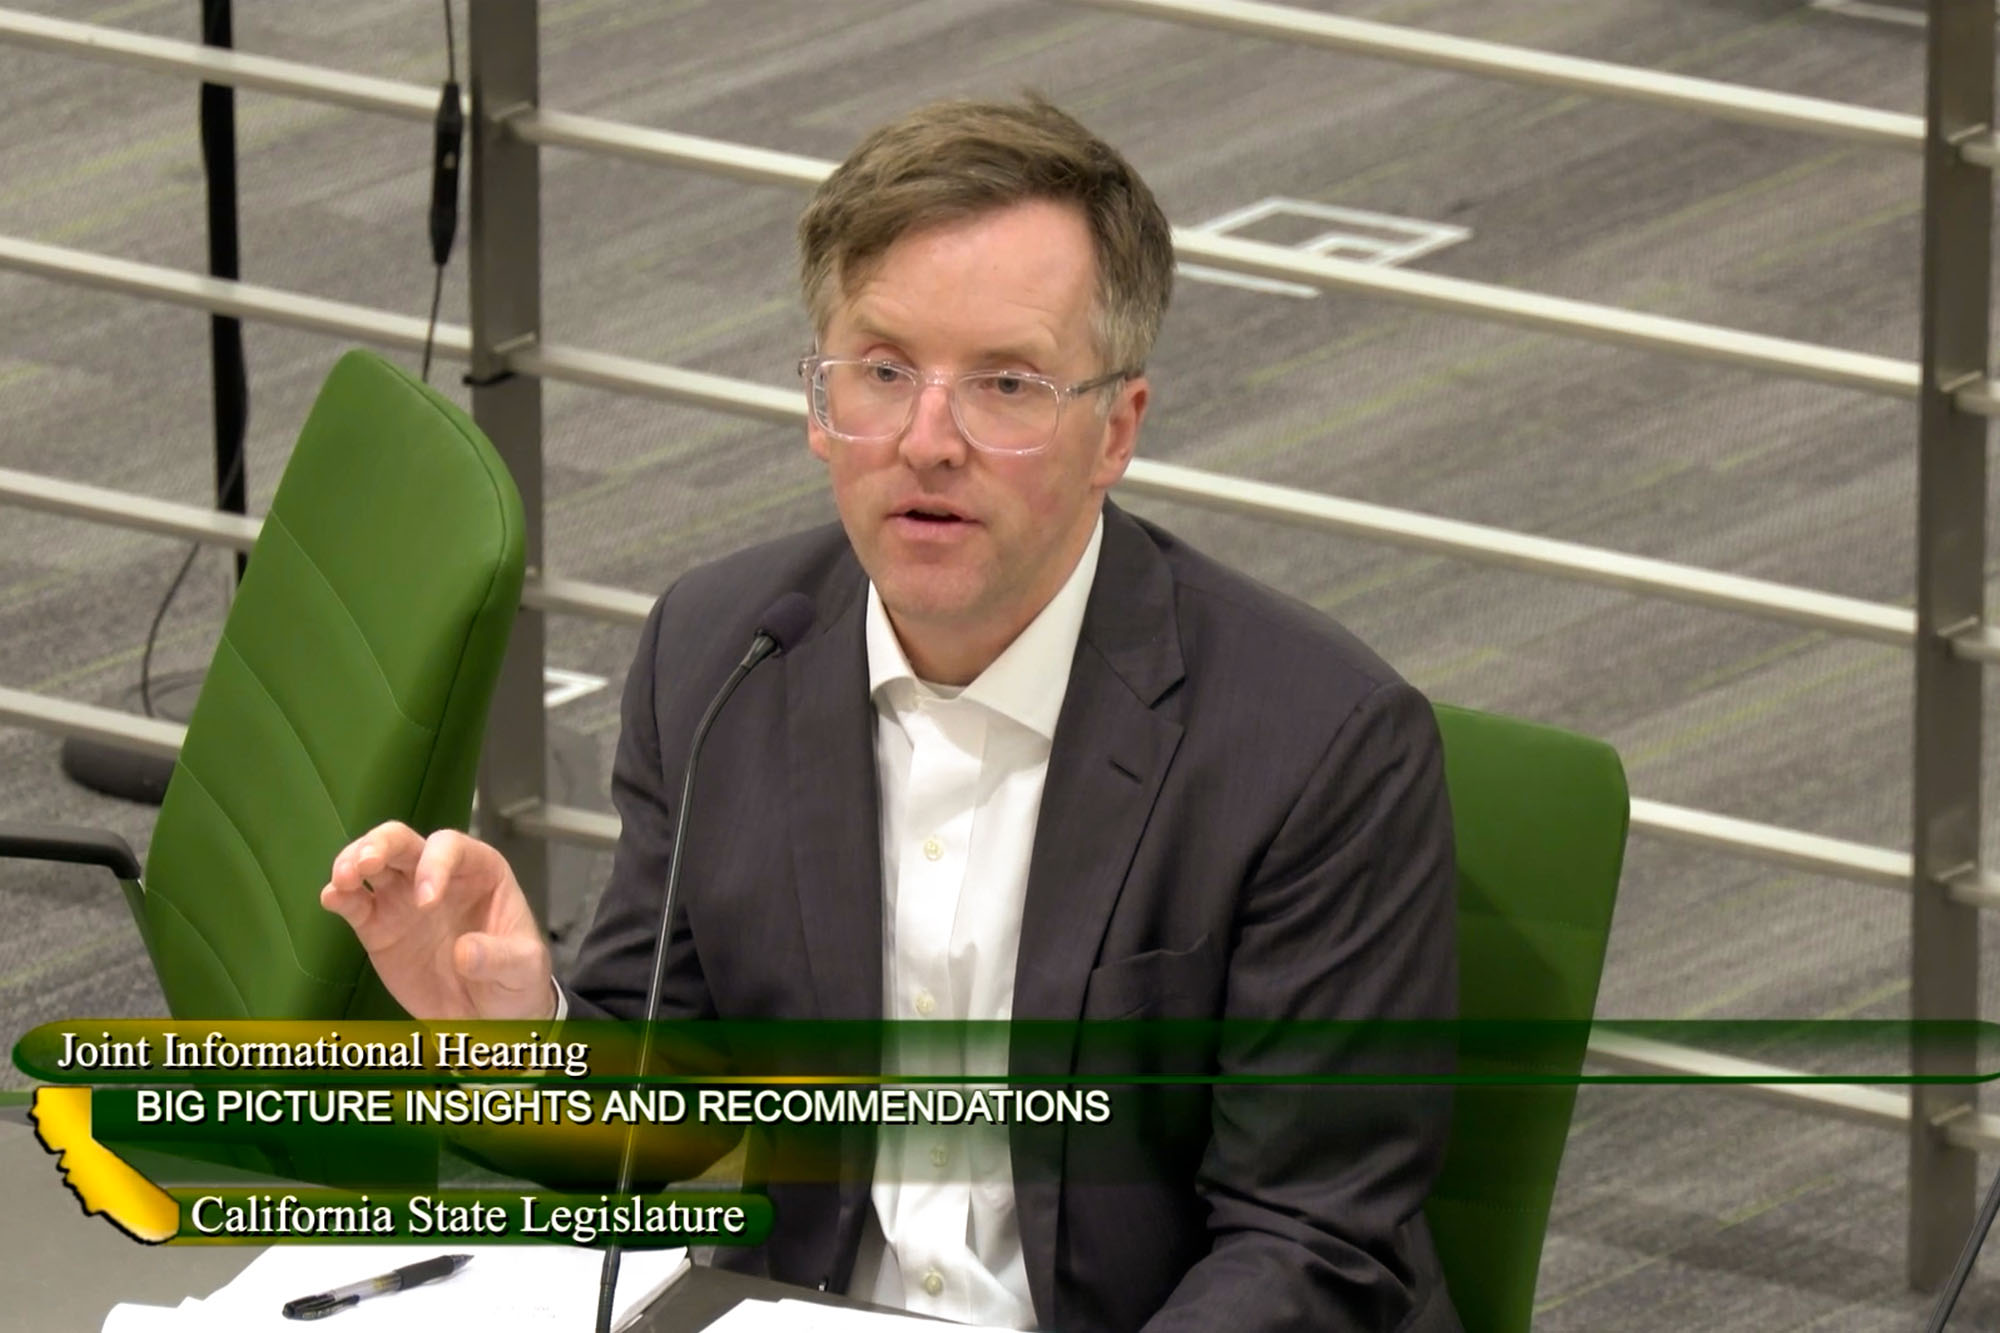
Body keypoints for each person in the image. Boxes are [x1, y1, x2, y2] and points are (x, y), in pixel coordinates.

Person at [322, 97, 1460, 1333]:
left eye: (1006, 384)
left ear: (1114, 430)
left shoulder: (1315, 746)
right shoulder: (722, 656)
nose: (927, 441)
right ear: (817, 404)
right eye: (880, 371)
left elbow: (1308, 1247)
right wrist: (517, 1038)